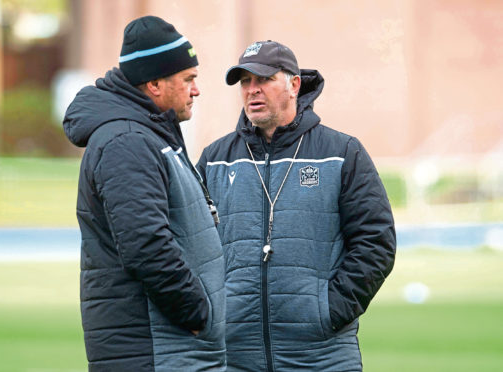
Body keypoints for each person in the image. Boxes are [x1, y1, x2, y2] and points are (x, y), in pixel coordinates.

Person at [196, 40, 396, 371]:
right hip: (235, 357)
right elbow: (192, 246)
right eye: (245, 81)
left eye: (263, 79)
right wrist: (214, 312)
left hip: (322, 357)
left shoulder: (342, 152)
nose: (252, 90)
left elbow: (376, 240)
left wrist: (329, 310)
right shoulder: (215, 159)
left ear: (294, 84)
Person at [63, 16, 226, 371]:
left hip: (170, 349)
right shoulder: (127, 142)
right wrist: (197, 313)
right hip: (155, 350)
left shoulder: (146, 133)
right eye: (188, 80)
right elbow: (146, 245)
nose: (195, 90)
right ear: (154, 83)